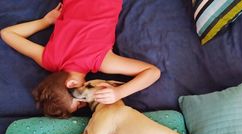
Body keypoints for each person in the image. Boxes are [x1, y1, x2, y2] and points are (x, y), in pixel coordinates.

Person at [0, 1, 160, 117]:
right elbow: (7, 34)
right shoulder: (49, 59)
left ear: (72, 85)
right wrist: (45, 22)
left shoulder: (101, 61)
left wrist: (120, 92)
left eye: (78, 104)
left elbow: (153, 72)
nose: (84, 104)